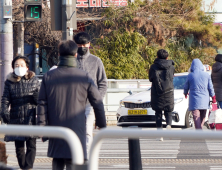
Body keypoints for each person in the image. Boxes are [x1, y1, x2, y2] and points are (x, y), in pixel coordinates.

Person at [37, 40, 106, 170]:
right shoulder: (84, 76)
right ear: (75, 55)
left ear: (59, 54)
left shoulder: (48, 76)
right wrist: (101, 124)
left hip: (55, 127)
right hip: (77, 127)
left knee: (57, 161)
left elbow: (42, 103)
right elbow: (97, 101)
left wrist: (42, 129)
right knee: (74, 160)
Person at [1, 56, 40, 169]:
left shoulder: (34, 80)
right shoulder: (9, 82)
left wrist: (37, 98)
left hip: (31, 117)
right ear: (13, 68)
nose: (19, 67)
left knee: (31, 145)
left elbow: (41, 99)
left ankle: (28, 167)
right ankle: (24, 167)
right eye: (16, 65)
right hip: (15, 116)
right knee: (19, 148)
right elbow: (5, 99)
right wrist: (4, 113)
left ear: (27, 67)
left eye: (22, 65)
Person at [73, 32, 107, 154]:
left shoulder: (96, 61)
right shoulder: (71, 61)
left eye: (84, 44)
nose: (82, 47)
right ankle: (76, 155)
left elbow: (103, 82)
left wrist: (97, 99)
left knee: (87, 131)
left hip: (89, 104)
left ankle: (86, 158)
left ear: (89, 44)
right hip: (73, 104)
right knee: (74, 132)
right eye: (79, 44)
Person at [149, 49, 175, 141]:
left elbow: (151, 79)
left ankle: (160, 135)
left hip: (157, 92)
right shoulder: (171, 66)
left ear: (157, 56)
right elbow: (172, 77)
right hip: (169, 91)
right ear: (167, 57)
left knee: (158, 113)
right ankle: (168, 125)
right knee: (168, 111)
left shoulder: (153, 67)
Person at [184, 59, 216, 129]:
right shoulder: (206, 75)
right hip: (204, 99)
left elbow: (186, 86)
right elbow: (210, 87)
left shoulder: (190, 75)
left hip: (194, 99)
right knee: (202, 116)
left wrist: (185, 93)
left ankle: (199, 131)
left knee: (196, 116)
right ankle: (200, 130)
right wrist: (213, 97)